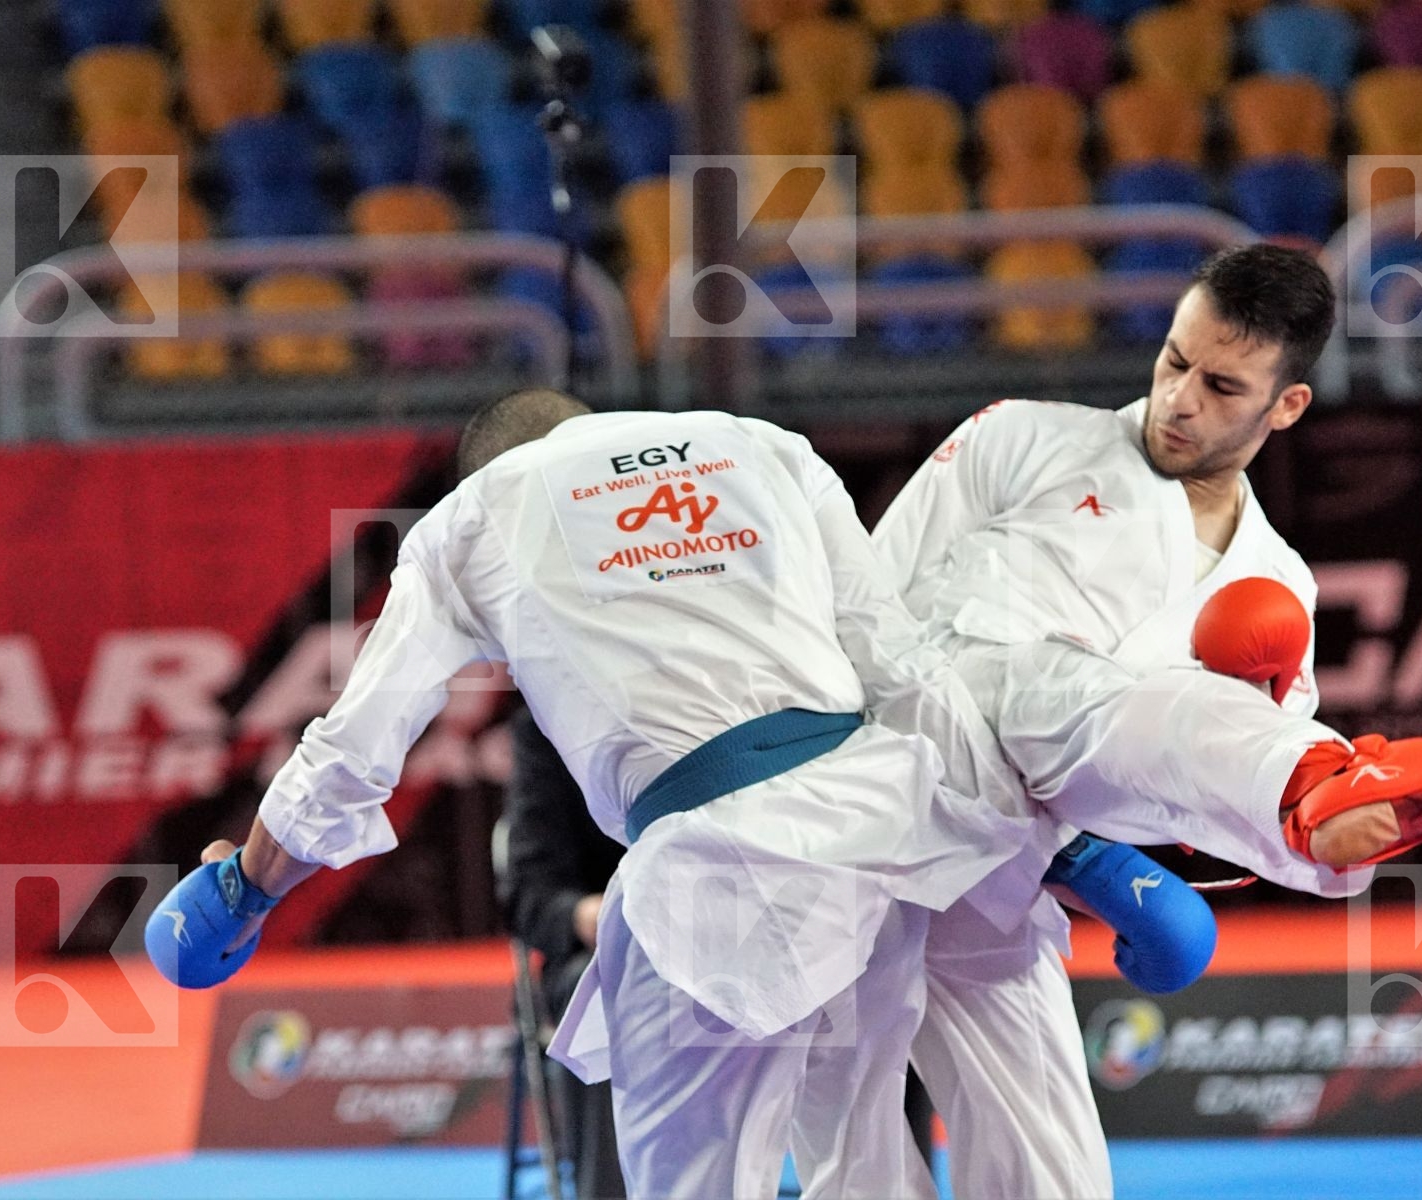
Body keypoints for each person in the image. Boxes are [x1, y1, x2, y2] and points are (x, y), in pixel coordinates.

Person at [143, 389, 1040, 1200]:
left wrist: (244, 891)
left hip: (716, 881)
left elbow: (355, 747)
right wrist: (1052, 844)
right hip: (884, 843)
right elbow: (902, 666)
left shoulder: (475, 514)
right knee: (868, 1174)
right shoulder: (763, 446)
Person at [872, 244, 1422, 1197]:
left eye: (1223, 385)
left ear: (1287, 406)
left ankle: (1325, 809)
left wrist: (1096, 861)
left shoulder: (1276, 587)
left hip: (1005, 867)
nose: (1180, 399)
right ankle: (1319, 778)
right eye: (1173, 361)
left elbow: (1200, 821)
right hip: (894, 786)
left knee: (1054, 1179)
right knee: (851, 1152)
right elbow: (866, 619)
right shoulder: (1021, 439)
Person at [502, 705, 626, 1199]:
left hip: (718, 948)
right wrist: (591, 915)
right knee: (601, 997)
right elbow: (528, 896)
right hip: (602, 956)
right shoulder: (547, 729)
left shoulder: (709, 703)